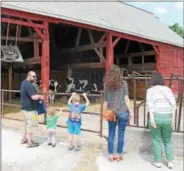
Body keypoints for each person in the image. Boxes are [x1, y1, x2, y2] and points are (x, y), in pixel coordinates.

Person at [146, 72, 176, 169]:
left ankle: (157, 162)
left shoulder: (150, 90)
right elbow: (174, 105)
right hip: (168, 117)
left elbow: (150, 106)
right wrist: (173, 120)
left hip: (156, 117)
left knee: (156, 140)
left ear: (153, 80)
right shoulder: (168, 89)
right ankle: (170, 162)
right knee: (168, 140)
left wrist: (152, 119)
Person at [103, 64, 132, 162]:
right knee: (121, 134)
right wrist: (131, 112)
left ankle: (111, 155)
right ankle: (119, 155)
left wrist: (104, 112)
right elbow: (126, 99)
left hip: (111, 112)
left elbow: (105, 101)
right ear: (119, 73)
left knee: (111, 134)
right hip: (123, 111)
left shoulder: (106, 84)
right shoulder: (124, 83)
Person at [20, 71, 44, 148]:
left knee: (26, 125)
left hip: (25, 108)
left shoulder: (23, 82)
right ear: (29, 76)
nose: (35, 78)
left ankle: (25, 139)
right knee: (32, 125)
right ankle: (30, 142)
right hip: (31, 110)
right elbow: (33, 97)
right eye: (33, 76)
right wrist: (40, 96)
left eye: (35, 76)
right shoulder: (29, 85)